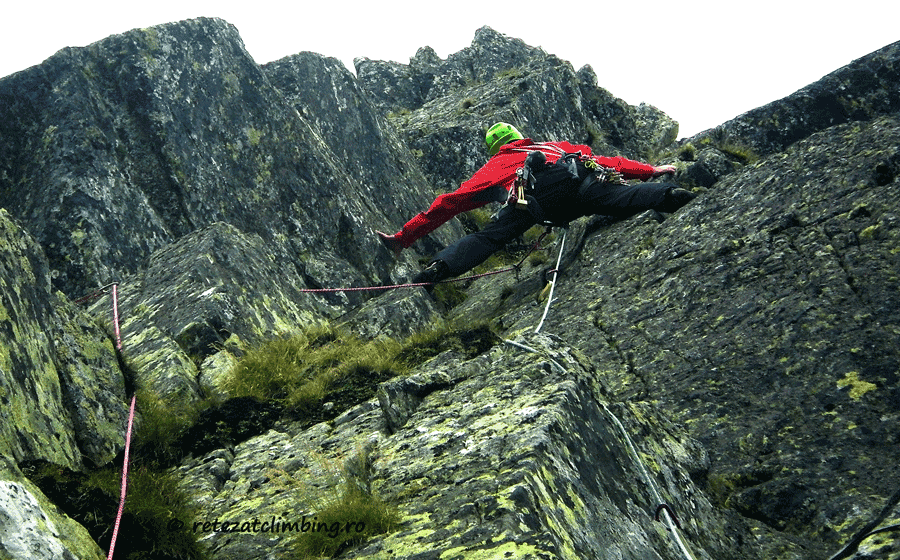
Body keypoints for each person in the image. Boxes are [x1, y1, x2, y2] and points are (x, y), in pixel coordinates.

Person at [377, 122, 695, 285]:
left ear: (494, 148)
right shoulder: (554, 148)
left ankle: (438, 269)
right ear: (519, 136)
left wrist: (404, 238)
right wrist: (650, 171)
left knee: (489, 236)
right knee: (617, 197)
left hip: (533, 204)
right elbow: (605, 161)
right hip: (578, 184)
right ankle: (669, 195)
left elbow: (448, 204)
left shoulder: (494, 167)